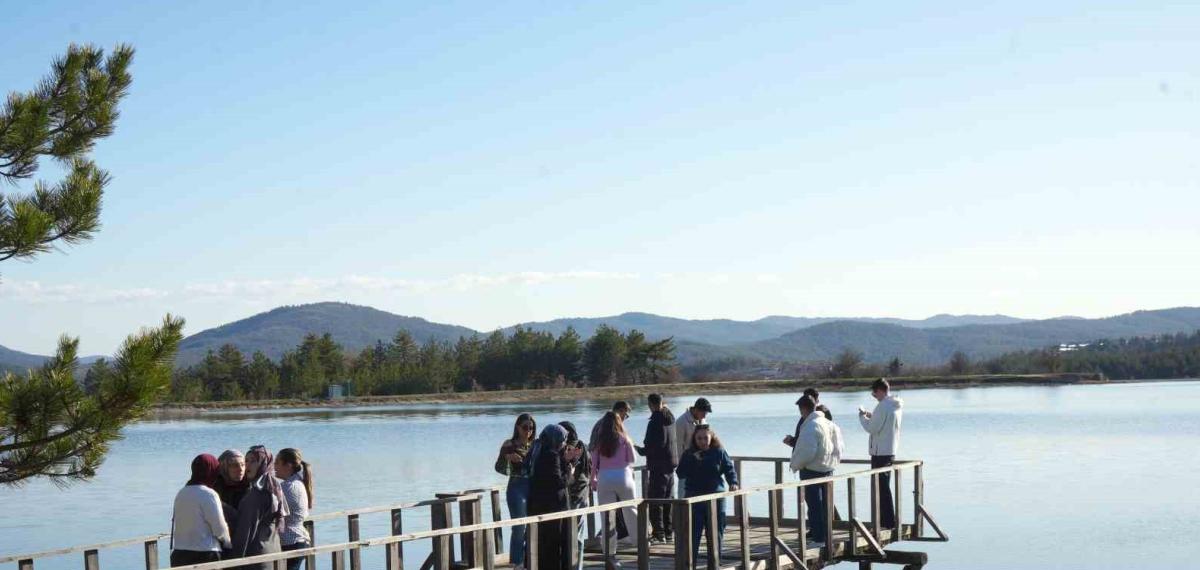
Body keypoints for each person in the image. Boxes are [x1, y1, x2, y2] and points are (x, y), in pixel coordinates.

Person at [675, 425, 739, 562]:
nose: (703, 441)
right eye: (699, 438)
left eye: (705, 438)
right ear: (694, 439)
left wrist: (733, 482)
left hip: (716, 499)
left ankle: (715, 563)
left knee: (716, 533)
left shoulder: (719, 452)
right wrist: (692, 459)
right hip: (694, 499)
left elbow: (729, 469)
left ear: (711, 437)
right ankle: (689, 564)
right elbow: (680, 473)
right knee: (693, 534)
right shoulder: (689, 454)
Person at [526, 424, 583, 570]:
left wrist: (567, 461)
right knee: (552, 545)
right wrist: (571, 472)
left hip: (537, 504)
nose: (564, 443)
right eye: (563, 440)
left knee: (541, 543)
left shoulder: (537, 450)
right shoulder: (551, 455)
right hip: (552, 506)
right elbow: (559, 482)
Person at [789, 396, 838, 548]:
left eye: (800, 410)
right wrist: (833, 463)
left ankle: (818, 539)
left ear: (803, 408)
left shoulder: (810, 425)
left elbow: (807, 451)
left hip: (811, 470)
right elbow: (839, 447)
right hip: (827, 469)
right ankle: (826, 536)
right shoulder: (829, 423)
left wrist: (795, 465)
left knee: (815, 506)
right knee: (825, 505)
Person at [590, 411, 639, 559]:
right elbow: (633, 459)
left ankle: (609, 551)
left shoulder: (600, 442)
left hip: (605, 477)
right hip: (624, 477)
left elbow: (594, 464)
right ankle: (640, 541)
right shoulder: (625, 439)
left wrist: (593, 479)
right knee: (631, 510)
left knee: (607, 515)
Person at [231, 445, 288, 570]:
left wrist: (233, 563)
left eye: (253, 461)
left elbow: (245, 532)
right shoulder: (274, 486)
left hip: (258, 559)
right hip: (275, 554)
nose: (248, 465)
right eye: (246, 461)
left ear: (263, 464)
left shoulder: (257, 494)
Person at [171, 454, 232, 567]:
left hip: (179, 554)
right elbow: (219, 528)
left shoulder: (181, 492)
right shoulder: (209, 494)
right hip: (205, 554)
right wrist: (228, 544)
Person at [858, 378, 903, 529]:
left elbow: (872, 429)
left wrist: (862, 417)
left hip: (879, 453)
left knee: (880, 488)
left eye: (875, 392)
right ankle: (888, 521)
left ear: (882, 390)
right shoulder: (894, 405)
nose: (873, 395)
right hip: (890, 450)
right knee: (884, 487)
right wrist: (872, 415)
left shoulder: (883, 406)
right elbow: (883, 423)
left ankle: (887, 522)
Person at [495, 413, 536, 570]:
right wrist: (507, 458)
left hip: (533, 487)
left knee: (532, 526)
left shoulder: (535, 445)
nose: (528, 431)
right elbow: (499, 468)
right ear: (518, 427)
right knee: (519, 527)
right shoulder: (509, 444)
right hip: (516, 486)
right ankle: (516, 563)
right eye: (525, 427)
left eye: (531, 428)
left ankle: (529, 561)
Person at [634, 393, 676, 543]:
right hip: (670, 466)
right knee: (667, 500)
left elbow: (655, 445)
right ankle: (668, 532)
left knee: (655, 500)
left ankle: (659, 534)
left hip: (658, 466)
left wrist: (639, 450)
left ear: (650, 404)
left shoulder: (656, 421)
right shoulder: (669, 418)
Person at [557, 421, 592, 570]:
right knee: (578, 535)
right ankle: (577, 566)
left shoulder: (569, 449)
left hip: (572, 496)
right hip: (583, 495)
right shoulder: (583, 447)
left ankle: (570, 565)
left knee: (570, 535)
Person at [275, 448, 313, 570]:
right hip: (299, 539)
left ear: (288, 465)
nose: (274, 466)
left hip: (291, 542)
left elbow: (273, 511)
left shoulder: (287, 487)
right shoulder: (298, 482)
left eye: (277, 462)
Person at [672, 398, 711, 498]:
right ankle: (681, 513)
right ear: (696, 409)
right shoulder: (681, 422)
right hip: (686, 464)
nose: (705, 415)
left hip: (701, 464)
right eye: (704, 412)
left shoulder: (703, 420)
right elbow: (678, 446)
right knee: (683, 494)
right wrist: (682, 465)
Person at [214, 449, 248, 538]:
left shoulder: (249, 487)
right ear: (224, 467)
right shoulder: (215, 488)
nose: (240, 469)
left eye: (243, 465)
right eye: (235, 465)